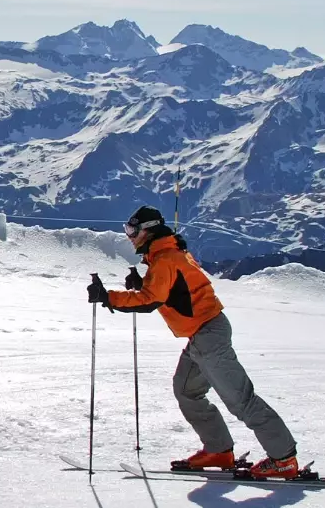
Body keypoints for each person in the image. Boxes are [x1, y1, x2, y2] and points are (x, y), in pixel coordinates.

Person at [86, 206, 300, 480]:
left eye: (133, 230)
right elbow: (175, 291)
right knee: (187, 391)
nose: (129, 236)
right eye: (127, 230)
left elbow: (151, 301)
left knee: (240, 399)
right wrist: (143, 283)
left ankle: (283, 458)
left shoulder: (165, 258)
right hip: (202, 334)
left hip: (208, 335)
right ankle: (219, 450)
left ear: (148, 230)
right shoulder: (168, 253)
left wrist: (108, 297)